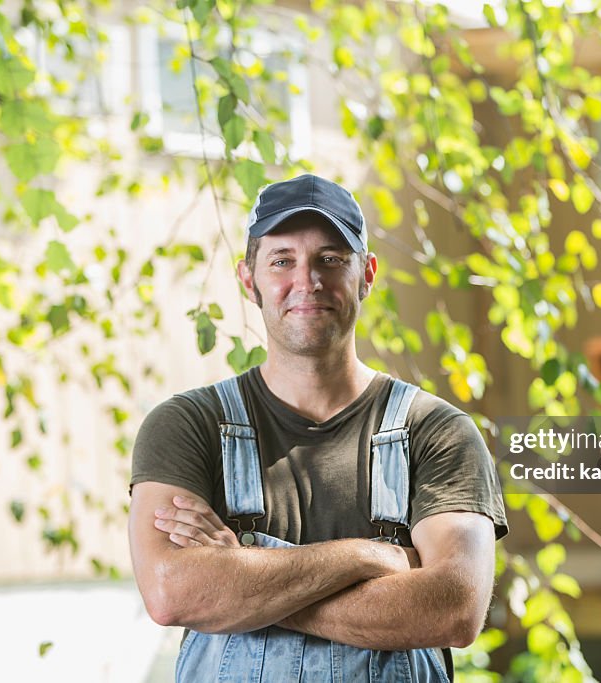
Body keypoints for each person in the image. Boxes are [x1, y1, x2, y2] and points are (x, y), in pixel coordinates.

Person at [128, 174, 508, 682]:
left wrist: (241, 577)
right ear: (249, 280)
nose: (307, 281)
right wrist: (371, 556)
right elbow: (172, 592)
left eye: (331, 259)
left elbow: (453, 610)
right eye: (282, 260)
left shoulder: (436, 432)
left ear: (367, 274)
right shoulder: (189, 426)